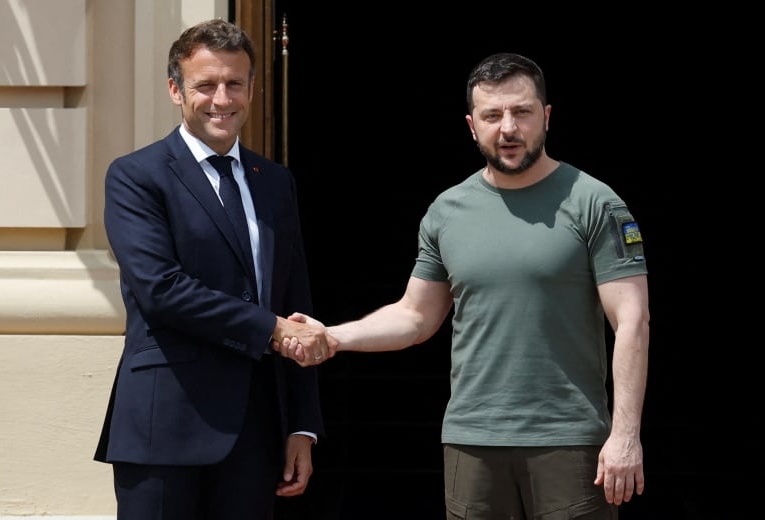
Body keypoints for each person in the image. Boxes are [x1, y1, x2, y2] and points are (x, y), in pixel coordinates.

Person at [276, 52, 650, 520]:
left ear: (547, 117)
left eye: (522, 112)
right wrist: (333, 336)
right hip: (471, 442)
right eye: (493, 115)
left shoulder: (595, 202)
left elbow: (632, 320)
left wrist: (625, 434)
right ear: (473, 126)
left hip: (569, 441)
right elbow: (415, 316)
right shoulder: (447, 211)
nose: (508, 128)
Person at [94, 18, 333, 520]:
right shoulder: (136, 176)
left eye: (234, 84)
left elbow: (297, 302)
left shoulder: (275, 182)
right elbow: (161, 289)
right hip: (165, 428)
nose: (222, 98)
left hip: (257, 429)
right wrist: (269, 328)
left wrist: (301, 425)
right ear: (175, 90)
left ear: (252, 89)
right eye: (206, 85)